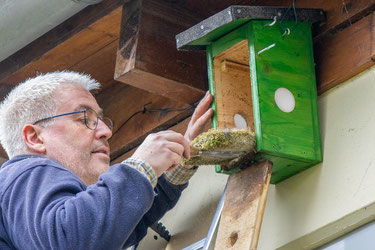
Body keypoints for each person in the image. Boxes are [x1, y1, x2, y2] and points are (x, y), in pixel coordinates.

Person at [0, 71, 213, 249]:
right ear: (35, 138)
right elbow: (72, 240)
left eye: (101, 120)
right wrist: (139, 168)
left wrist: (181, 160)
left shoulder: (26, 212)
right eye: (84, 118)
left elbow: (116, 226)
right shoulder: (26, 170)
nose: (106, 132)